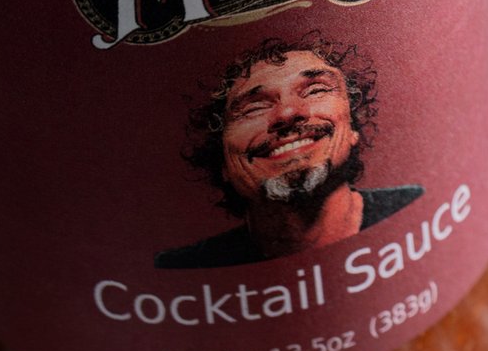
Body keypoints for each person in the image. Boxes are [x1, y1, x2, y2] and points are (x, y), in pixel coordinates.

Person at [155, 35, 423, 269]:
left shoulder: (416, 209)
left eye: (315, 90)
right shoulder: (182, 269)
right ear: (221, 159)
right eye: (253, 108)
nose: (287, 113)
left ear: (354, 123)